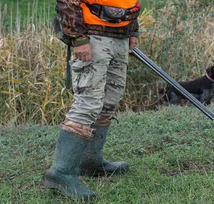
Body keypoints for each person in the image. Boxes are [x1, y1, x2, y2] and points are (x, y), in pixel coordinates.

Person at [43, 0, 141, 200]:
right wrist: (78, 37)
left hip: (120, 36)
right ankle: (61, 172)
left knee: (109, 101)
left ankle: (91, 162)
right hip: (92, 35)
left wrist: (132, 31)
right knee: (88, 103)